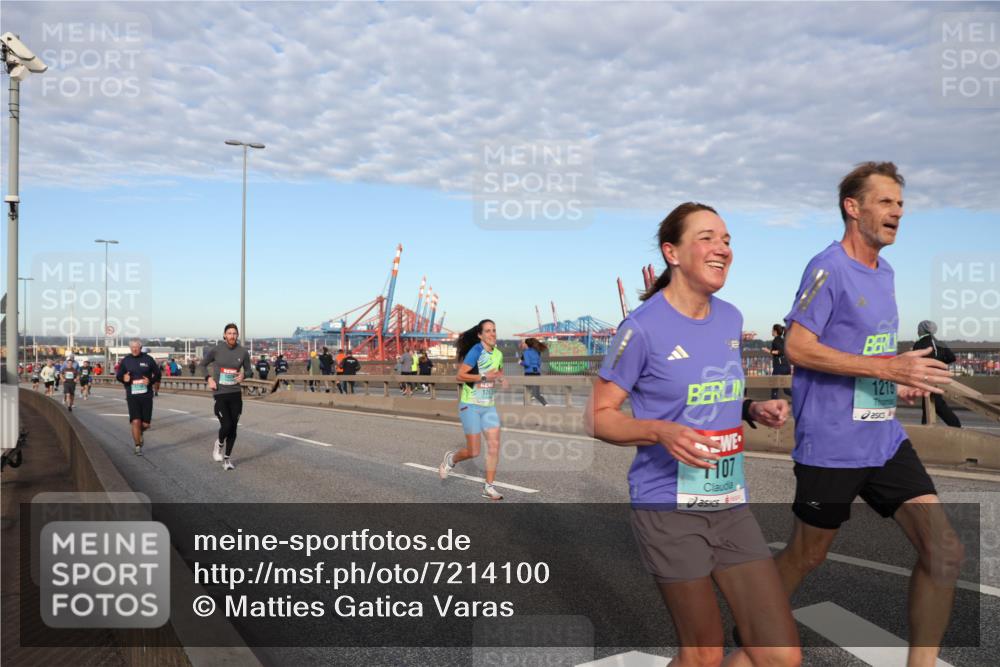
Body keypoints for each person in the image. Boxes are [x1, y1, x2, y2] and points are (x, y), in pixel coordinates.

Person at [586, 202, 800, 666]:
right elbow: (600, 416)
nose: (722, 248)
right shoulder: (640, 328)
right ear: (673, 253)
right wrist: (659, 430)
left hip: (728, 501)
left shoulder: (731, 319)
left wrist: (750, 408)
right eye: (707, 237)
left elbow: (707, 391)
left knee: (780, 655)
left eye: (726, 240)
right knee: (703, 654)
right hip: (668, 505)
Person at [774, 162, 962, 667]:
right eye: (885, 201)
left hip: (882, 439)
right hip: (832, 443)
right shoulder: (827, 267)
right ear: (852, 208)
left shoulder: (888, 272)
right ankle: (755, 621)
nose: (897, 211)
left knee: (943, 552)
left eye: (900, 203)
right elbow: (798, 346)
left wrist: (893, 380)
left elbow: (868, 354)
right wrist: (885, 366)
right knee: (807, 557)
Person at [438, 320, 509, 501]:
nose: (492, 334)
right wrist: (485, 376)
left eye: (494, 330)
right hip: (470, 405)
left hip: (489, 406)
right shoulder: (476, 351)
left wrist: (501, 378)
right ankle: (451, 459)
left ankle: (489, 487)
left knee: (494, 447)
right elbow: (460, 375)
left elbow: (498, 371)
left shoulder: (499, 354)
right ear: (480, 335)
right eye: (488, 331)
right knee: (474, 451)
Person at [198, 323, 253, 471]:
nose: (232, 336)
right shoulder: (216, 350)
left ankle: (227, 460)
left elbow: (249, 371)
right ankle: (219, 444)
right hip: (220, 393)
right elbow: (202, 365)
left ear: (238, 335)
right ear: (224, 335)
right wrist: (208, 379)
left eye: (234, 333)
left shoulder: (243, 352)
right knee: (226, 425)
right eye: (229, 333)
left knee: (233, 429)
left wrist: (243, 375)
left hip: (235, 393)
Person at [116, 339, 162, 455]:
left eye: (136, 347)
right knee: (136, 421)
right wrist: (123, 378)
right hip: (132, 395)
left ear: (140, 348)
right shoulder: (126, 361)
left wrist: (150, 380)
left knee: (145, 424)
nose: (134, 349)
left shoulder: (148, 359)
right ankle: (137, 446)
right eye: (132, 348)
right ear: (130, 348)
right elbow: (119, 376)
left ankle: (140, 432)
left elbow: (158, 374)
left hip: (146, 395)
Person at [912, 320, 961, 428]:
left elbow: (914, 361)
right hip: (938, 377)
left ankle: (955, 425)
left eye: (918, 329)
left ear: (921, 330)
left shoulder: (919, 344)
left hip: (927, 378)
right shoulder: (939, 343)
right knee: (928, 403)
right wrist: (939, 364)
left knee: (937, 404)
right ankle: (925, 428)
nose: (917, 331)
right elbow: (951, 357)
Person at [519, 338, 548, 406]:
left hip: (529, 373)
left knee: (527, 392)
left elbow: (527, 364)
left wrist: (521, 363)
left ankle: (526, 408)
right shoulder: (537, 352)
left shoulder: (526, 352)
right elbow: (539, 363)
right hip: (537, 373)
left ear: (527, 344)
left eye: (525, 343)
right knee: (537, 394)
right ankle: (546, 405)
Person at [769, 324, 792, 400]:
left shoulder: (776, 340)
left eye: (772, 330)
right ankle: (799, 397)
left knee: (774, 388)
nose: (771, 331)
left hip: (779, 367)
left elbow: (781, 351)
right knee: (786, 389)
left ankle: (773, 405)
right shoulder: (783, 340)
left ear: (775, 331)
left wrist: (770, 351)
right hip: (786, 366)